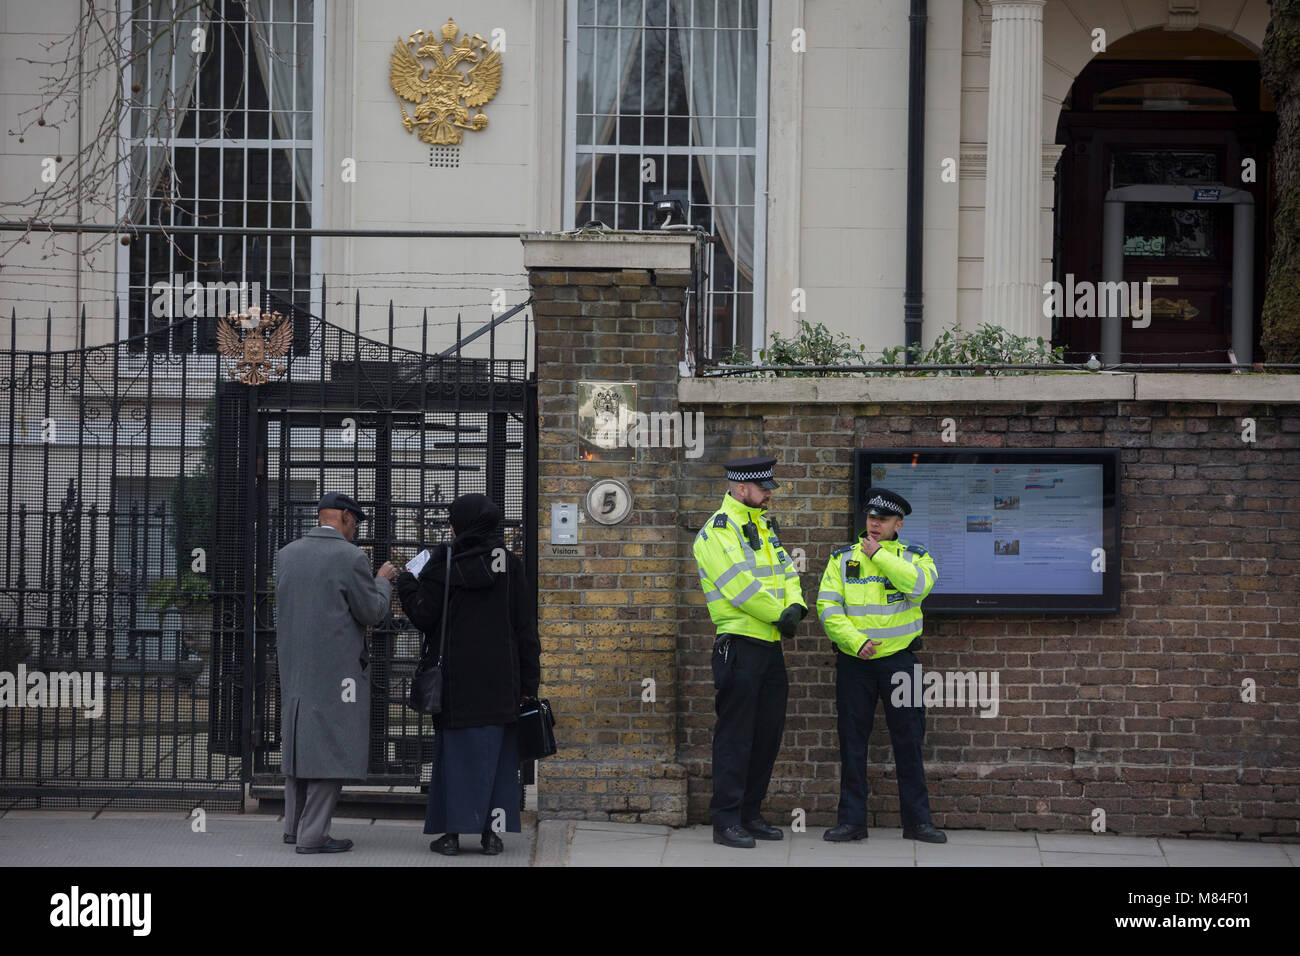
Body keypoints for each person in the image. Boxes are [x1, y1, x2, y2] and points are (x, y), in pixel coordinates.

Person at [394, 493, 540, 856]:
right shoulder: (509, 563)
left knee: (455, 761)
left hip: (457, 682)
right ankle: (492, 836)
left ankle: (452, 836)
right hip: (500, 681)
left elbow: (424, 615)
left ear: (461, 524)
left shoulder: (443, 562)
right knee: (497, 760)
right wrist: (528, 683)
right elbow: (525, 628)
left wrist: (406, 583)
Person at [817, 487, 947, 844]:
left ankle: (918, 823)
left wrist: (880, 556)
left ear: (898, 524)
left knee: (908, 741)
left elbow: (918, 588)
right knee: (852, 742)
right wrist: (856, 642)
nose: (874, 525)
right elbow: (827, 607)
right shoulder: (842, 559)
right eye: (871, 518)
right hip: (855, 662)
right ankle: (852, 822)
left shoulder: (915, 557)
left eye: (883, 519)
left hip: (900, 663)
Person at [692, 456, 807, 849]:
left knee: (767, 735)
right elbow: (738, 586)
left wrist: (797, 606)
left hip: (770, 646)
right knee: (736, 737)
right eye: (764, 488)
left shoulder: (763, 526)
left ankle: (749, 813)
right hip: (740, 645)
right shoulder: (716, 532)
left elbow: (788, 571)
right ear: (742, 489)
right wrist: (781, 615)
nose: (770, 493)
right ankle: (726, 820)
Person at [276, 492, 398, 854]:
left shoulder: (286, 554)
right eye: (355, 523)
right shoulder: (351, 557)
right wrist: (383, 580)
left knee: (299, 746)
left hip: (295, 667)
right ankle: (313, 837)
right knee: (331, 747)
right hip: (338, 674)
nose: (355, 530)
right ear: (344, 517)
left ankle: (293, 828)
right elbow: (372, 612)